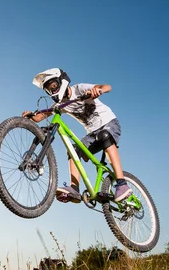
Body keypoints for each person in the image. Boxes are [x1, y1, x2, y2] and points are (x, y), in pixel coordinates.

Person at [22, 68, 132, 203]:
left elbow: (106, 86)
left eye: (54, 86)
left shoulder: (79, 89)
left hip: (109, 123)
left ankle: (122, 184)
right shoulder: (60, 104)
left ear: (61, 81)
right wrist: (31, 116)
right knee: (73, 150)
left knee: (104, 136)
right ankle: (74, 188)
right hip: (92, 134)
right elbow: (41, 116)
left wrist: (98, 91)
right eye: (49, 90)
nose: (53, 90)